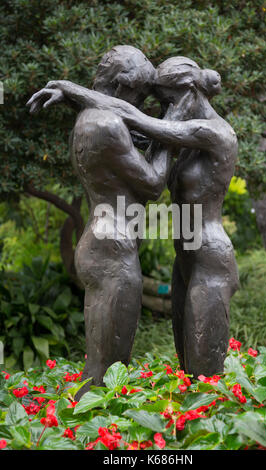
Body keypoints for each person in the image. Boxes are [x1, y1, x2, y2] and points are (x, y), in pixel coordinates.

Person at [27, 45, 172, 397]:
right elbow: (153, 184)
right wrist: (170, 134)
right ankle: (92, 437)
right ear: (123, 88)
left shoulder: (95, 118)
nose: (138, 108)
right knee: (105, 374)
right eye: (138, 96)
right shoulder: (106, 124)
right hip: (112, 250)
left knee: (106, 368)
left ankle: (91, 431)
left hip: (105, 243)